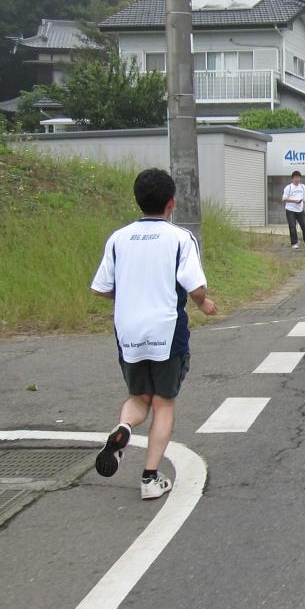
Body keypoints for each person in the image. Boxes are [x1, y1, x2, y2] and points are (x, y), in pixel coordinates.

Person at [90, 168, 217, 500]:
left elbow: (100, 288)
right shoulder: (180, 238)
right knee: (163, 403)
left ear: (137, 200)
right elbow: (196, 287)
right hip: (166, 330)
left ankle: (124, 428)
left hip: (128, 330)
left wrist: (130, 294)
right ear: (171, 203)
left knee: (138, 398)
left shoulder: (118, 238)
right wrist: (203, 304)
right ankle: (150, 477)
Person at [281, 169, 305, 249]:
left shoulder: (303, 187)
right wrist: (294, 201)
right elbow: (284, 199)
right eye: (295, 177)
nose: (297, 179)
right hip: (290, 210)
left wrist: (303, 205)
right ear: (292, 178)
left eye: (298, 177)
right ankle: (294, 243)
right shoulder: (288, 187)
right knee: (292, 226)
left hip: (300, 210)